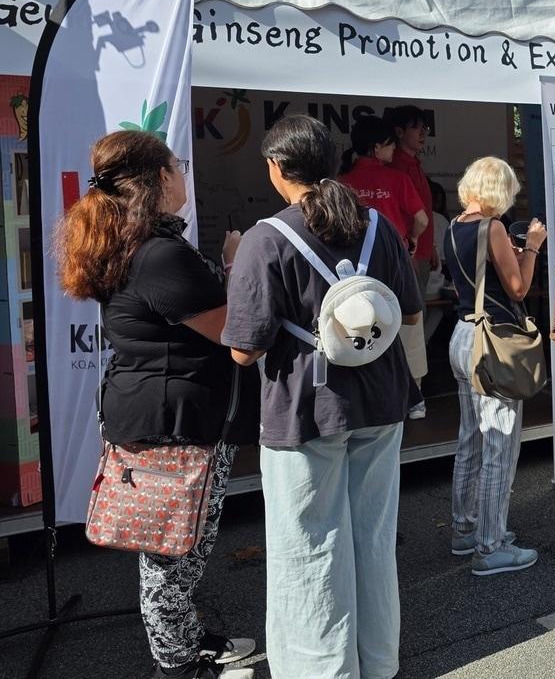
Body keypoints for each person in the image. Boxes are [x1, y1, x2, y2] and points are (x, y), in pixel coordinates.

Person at [223, 115, 422, 679]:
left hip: (304, 409)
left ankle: (322, 671)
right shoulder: (379, 227)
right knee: (373, 541)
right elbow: (407, 312)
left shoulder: (266, 237)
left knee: (309, 547)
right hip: (382, 400)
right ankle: (378, 663)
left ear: (277, 169)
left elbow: (244, 350)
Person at [56, 132, 255, 679]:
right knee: (173, 551)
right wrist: (236, 266)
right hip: (174, 421)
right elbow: (230, 330)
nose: (184, 173)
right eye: (178, 165)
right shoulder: (160, 253)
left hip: (157, 412)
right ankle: (177, 663)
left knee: (176, 542)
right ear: (159, 179)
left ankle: (188, 642)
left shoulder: (133, 242)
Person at [442, 157, 547, 573]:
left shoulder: (455, 226)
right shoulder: (494, 228)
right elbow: (518, 287)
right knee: (500, 444)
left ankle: (464, 529)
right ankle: (490, 546)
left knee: (471, 438)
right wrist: (534, 246)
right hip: (493, 341)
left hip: (462, 335)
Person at [386, 105, 436, 420]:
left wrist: (430, 248)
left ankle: (412, 390)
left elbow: (424, 216)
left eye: (424, 128)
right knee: (408, 324)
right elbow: (412, 218)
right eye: (416, 128)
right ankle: (409, 392)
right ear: (399, 132)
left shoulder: (413, 164)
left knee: (416, 320)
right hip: (407, 258)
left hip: (420, 255)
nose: (423, 134)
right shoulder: (397, 168)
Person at [338, 115, 429, 251]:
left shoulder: (340, 181)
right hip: (392, 252)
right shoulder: (398, 179)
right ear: (376, 147)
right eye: (391, 142)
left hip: (355, 255)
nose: (394, 146)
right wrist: (412, 239)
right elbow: (422, 220)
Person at [423, 179, 455, 343]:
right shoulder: (442, 221)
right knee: (440, 308)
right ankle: (425, 342)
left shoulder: (416, 218)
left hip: (418, 282)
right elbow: (447, 258)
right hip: (436, 282)